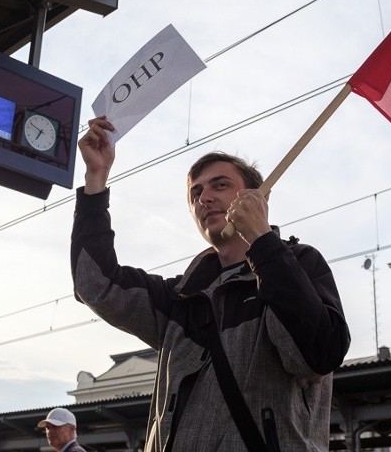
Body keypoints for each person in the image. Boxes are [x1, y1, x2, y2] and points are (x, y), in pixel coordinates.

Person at [70, 116, 351, 451]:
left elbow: (317, 355)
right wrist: (95, 180)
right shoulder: (180, 298)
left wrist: (262, 242)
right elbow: (96, 284)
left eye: (220, 185)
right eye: (196, 192)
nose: (204, 198)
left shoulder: (300, 265)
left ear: (257, 197)